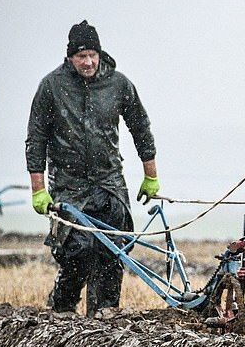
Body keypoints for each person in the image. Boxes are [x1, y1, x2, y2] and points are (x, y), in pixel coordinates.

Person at [25, 20, 160, 318]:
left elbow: (140, 128)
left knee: (113, 250)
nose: (87, 62)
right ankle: (62, 308)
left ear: (100, 54)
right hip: (69, 183)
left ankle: (105, 316)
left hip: (108, 179)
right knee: (78, 250)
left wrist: (151, 175)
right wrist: (38, 190)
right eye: (81, 56)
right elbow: (36, 138)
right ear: (70, 57)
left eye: (92, 55)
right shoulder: (52, 86)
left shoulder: (118, 84)